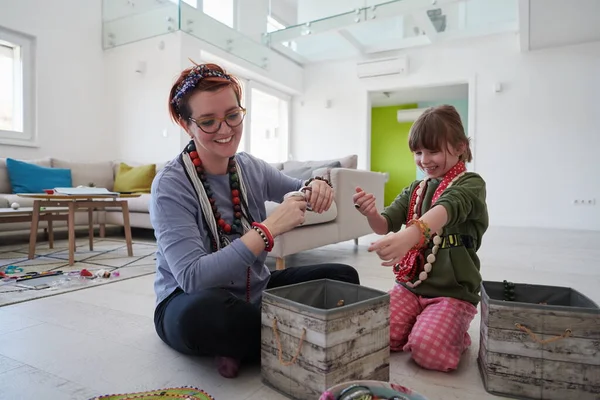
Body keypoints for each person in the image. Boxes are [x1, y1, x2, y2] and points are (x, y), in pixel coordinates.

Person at [149, 62, 360, 379]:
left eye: (233, 115)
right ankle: (276, 336)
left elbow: (299, 188)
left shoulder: (249, 167)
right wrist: (269, 229)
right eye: (208, 122)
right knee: (211, 318)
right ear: (185, 123)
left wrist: (319, 185)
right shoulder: (171, 184)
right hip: (190, 299)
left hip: (255, 291)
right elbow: (192, 277)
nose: (225, 130)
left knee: (343, 277)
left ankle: (248, 343)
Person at [353, 105, 488, 372]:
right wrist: (370, 213)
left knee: (429, 352)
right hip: (409, 286)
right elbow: (383, 225)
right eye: (418, 152)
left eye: (433, 151)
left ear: (460, 146)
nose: (424, 160)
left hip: (452, 293)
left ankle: (452, 333)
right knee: (375, 335)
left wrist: (412, 235)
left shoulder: (471, 184)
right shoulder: (415, 189)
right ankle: (422, 321)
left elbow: (448, 206)